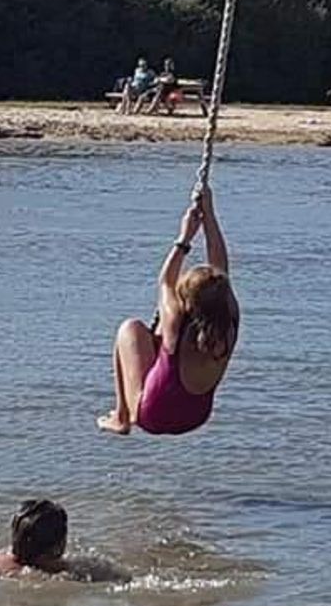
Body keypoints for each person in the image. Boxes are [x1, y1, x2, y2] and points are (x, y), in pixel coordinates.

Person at [97, 187, 236, 436]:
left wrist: (185, 238)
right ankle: (124, 414)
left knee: (131, 328)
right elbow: (221, 269)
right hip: (195, 416)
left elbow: (165, 282)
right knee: (158, 342)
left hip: (153, 416)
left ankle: (121, 417)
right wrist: (209, 215)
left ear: (187, 302)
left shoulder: (174, 325)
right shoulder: (229, 324)